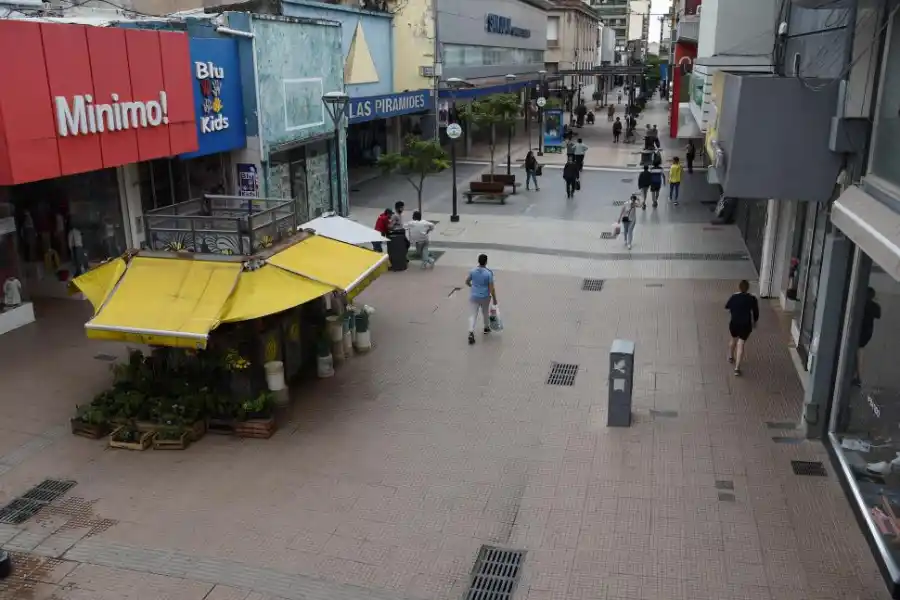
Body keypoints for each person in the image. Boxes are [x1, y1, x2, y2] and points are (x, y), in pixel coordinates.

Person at [726, 280, 760, 376]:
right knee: (741, 344)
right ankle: (737, 369)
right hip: (745, 324)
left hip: (734, 323)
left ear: (739, 287)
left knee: (733, 340)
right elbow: (756, 312)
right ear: (748, 288)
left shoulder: (734, 297)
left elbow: (727, 306)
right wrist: (755, 321)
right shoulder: (752, 298)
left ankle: (731, 356)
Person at [465, 254, 497, 345]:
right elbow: (491, 288)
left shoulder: (473, 271)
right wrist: (494, 299)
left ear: (478, 261)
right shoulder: (488, 273)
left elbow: (467, 282)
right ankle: (486, 328)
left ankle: (471, 332)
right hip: (485, 297)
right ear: (486, 262)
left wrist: (472, 287)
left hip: (474, 296)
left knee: (473, 315)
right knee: (485, 312)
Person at [854, 286, 881, 385]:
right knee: (859, 353)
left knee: (857, 354)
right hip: (867, 332)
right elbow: (878, 315)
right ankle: (857, 375)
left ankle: (858, 376)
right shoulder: (874, 306)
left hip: (861, 331)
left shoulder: (862, 304)